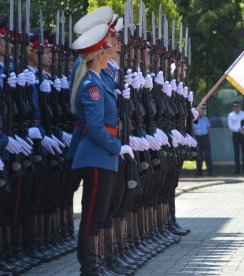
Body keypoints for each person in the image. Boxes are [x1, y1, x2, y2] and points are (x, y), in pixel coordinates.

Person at [69, 22, 134, 275]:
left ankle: (96, 264)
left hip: (103, 157)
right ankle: (90, 266)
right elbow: (95, 127)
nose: (111, 53)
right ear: (98, 56)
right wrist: (116, 146)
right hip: (96, 157)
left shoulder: (99, 81)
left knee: (99, 213)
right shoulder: (92, 86)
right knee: (92, 215)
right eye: (106, 50)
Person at [227, 101, 244, 174]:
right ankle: (237, 169)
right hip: (236, 135)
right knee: (236, 153)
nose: (236, 108)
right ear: (232, 107)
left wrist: (243, 129)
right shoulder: (230, 115)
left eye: (237, 106)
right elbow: (230, 126)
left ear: (239, 107)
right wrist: (238, 129)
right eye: (234, 106)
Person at [193, 105, 214, 176]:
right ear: (198, 110)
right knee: (199, 156)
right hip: (197, 138)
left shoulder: (205, 119)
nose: (203, 111)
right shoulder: (194, 119)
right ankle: (199, 171)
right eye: (201, 109)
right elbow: (192, 130)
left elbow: (208, 128)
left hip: (205, 138)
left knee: (208, 155)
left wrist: (209, 137)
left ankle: (210, 171)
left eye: (203, 109)